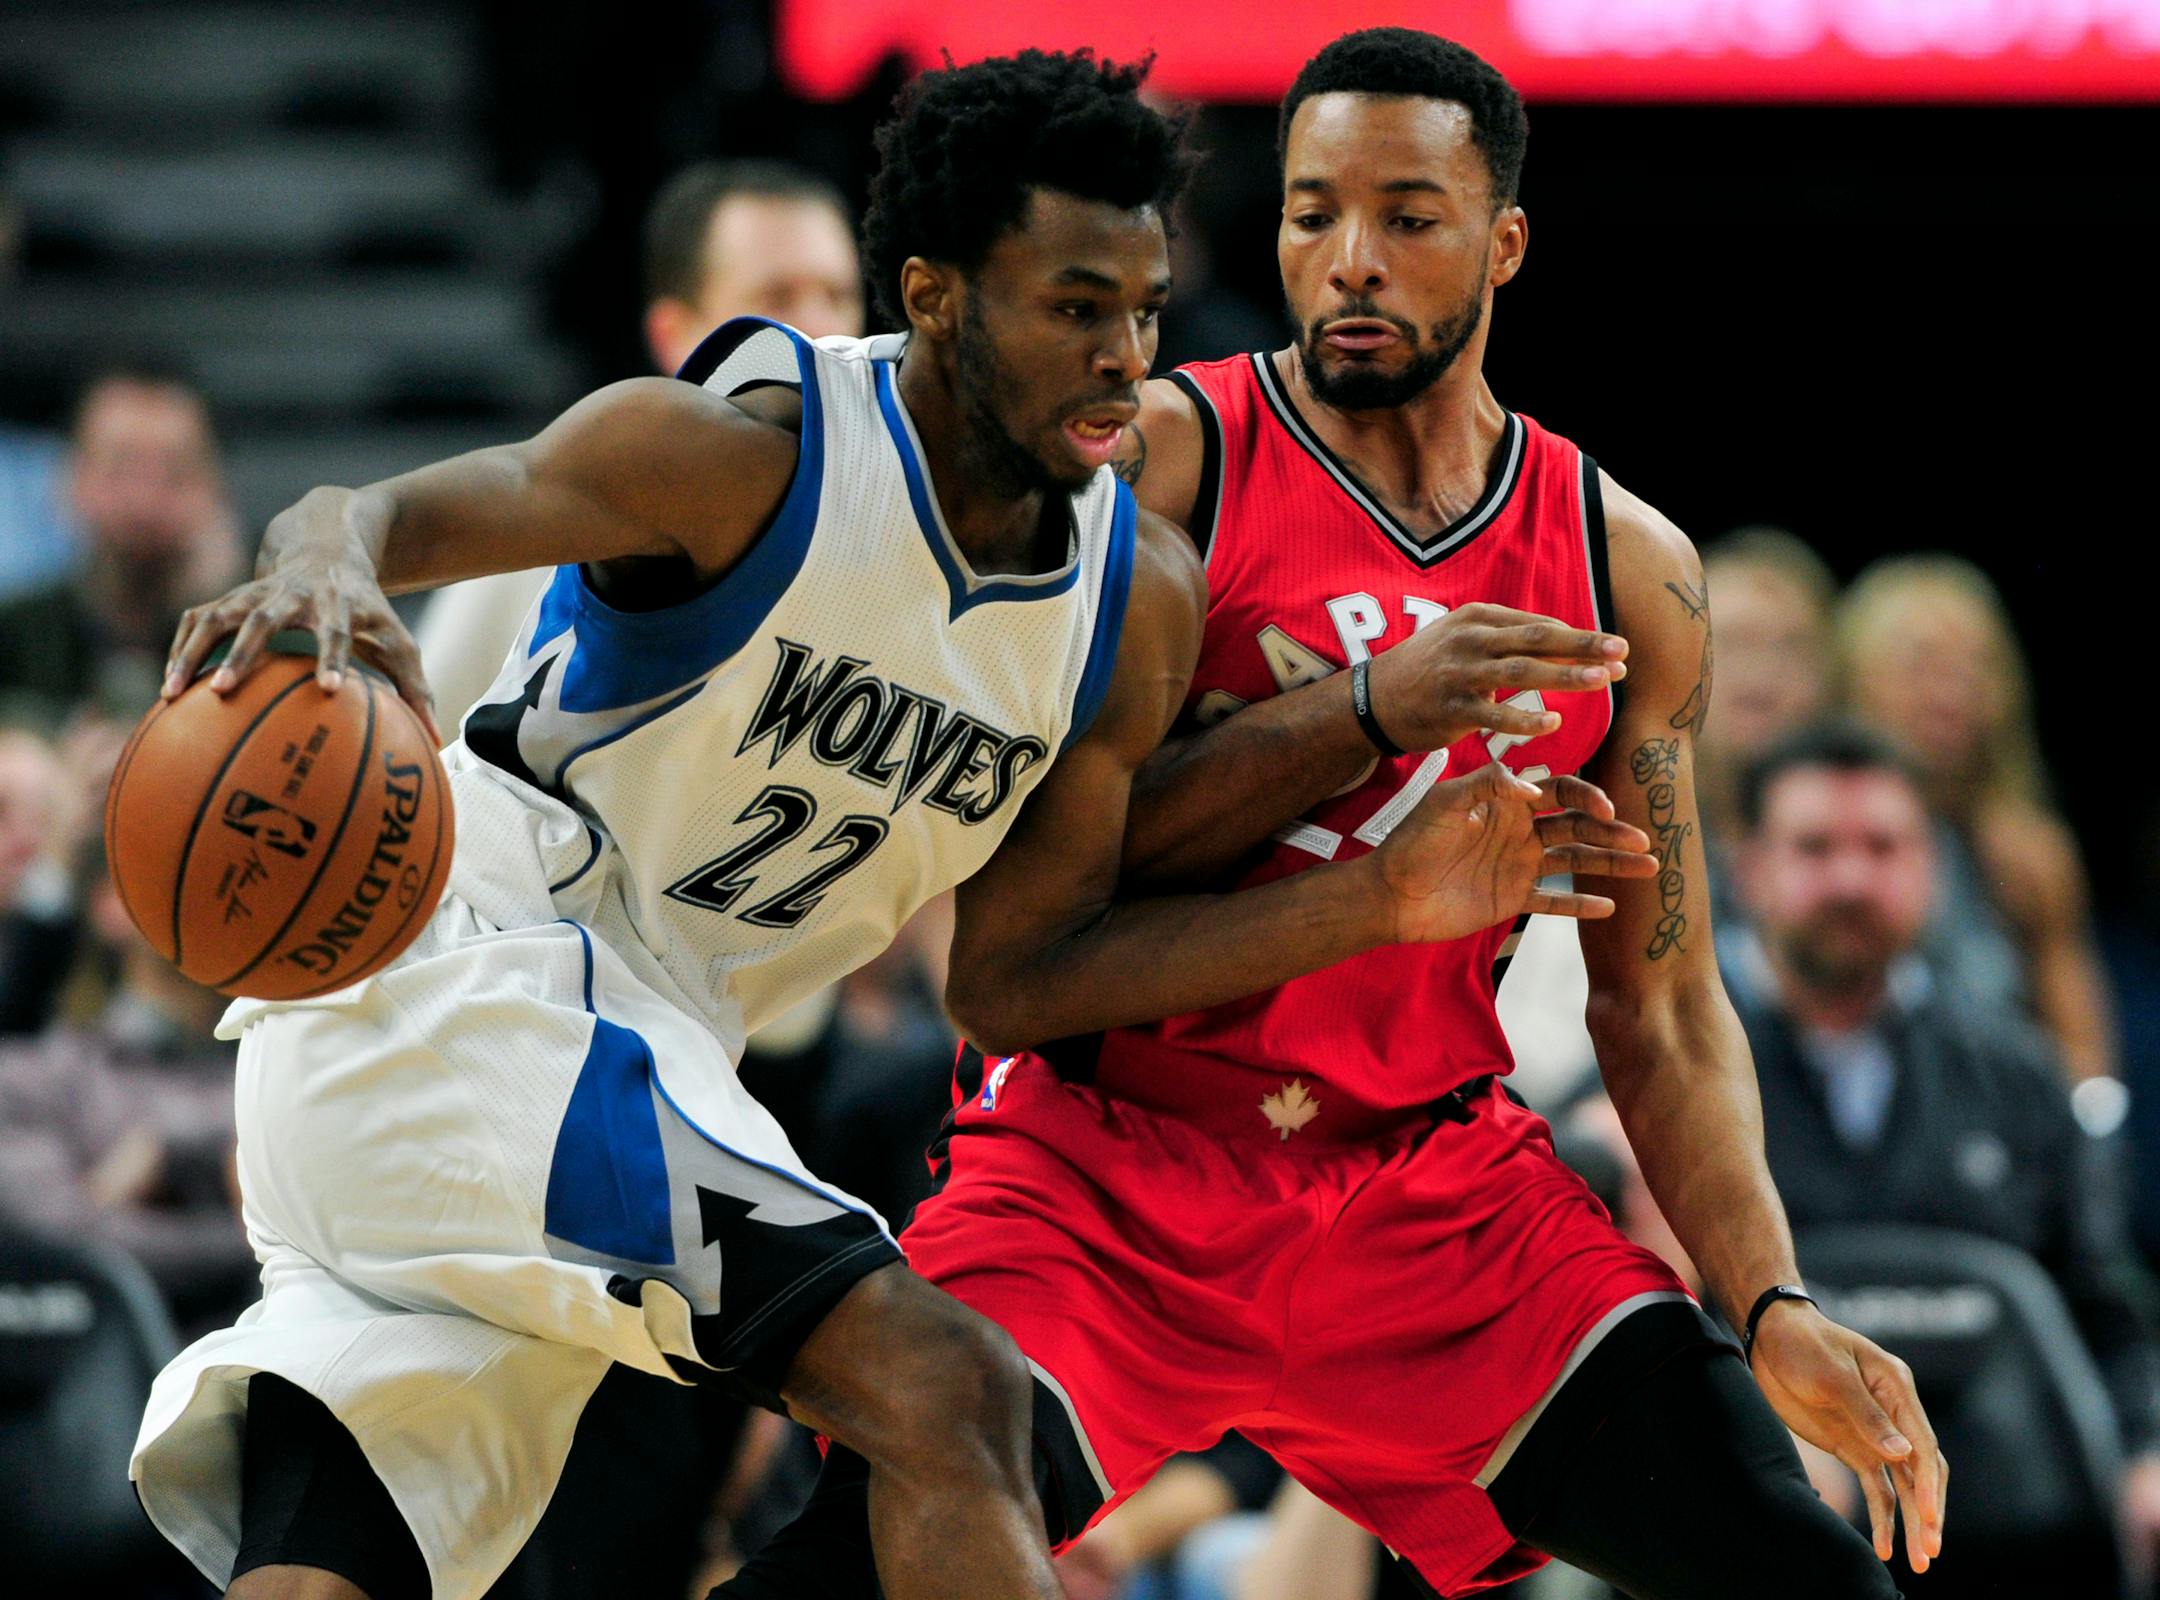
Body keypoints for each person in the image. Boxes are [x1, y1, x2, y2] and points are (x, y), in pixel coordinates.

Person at [130, 49, 1645, 1600]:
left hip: (580, 1066)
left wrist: (1378, 905)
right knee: (953, 1389)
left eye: (1143, 309)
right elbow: (378, 511)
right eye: (1072, 308)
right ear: (932, 296)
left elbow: (1017, 983)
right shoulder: (750, 453)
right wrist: (322, 554)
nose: (1125, 359)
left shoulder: (1130, 603)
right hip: (468, 983)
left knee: (333, 1565)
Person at [717, 27, 1942, 1600]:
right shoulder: (1153, 467)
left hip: (1429, 1199)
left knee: (1796, 1562)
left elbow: (1667, 1000)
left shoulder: (1627, 568)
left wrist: (1771, 1301)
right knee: (848, 1567)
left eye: (1407, 218)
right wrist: (1360, 730)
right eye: (1311, 215)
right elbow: (1025, 942)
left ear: (1503, 242)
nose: (1350, 261)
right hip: (1108, 1169)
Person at [1729, 718, 2160, 1581]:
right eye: (1815, 847)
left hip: (2018, 1522)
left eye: (1883, 847)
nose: (1851, 877)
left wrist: (2149, 1452)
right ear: (1751, 870)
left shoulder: (2020, 1074)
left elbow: (2106, 1306)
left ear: (1931, 867)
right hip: (1765, 1513)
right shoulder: (1682, 1084)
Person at [418, 159, 868, 733]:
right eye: (778, 297)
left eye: (838, 295)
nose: (819, 329)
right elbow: (421, 751)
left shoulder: (913, 527)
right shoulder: (550, 533)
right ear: (674, 335)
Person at [1837, 554, 2116, 1082]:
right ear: (1856, 676)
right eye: (1922, 663)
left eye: (1976, 666)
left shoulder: (2031, 856)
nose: (1951, 691)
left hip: (1999, 1137)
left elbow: (2085, 1060)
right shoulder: (1808, 838)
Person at [0, 361, 240, 731]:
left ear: (213, 484)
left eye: (174, 472)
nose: (143, 499)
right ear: (71, 477)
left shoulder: (258, 641)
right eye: (120, 467)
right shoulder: (14, 636)